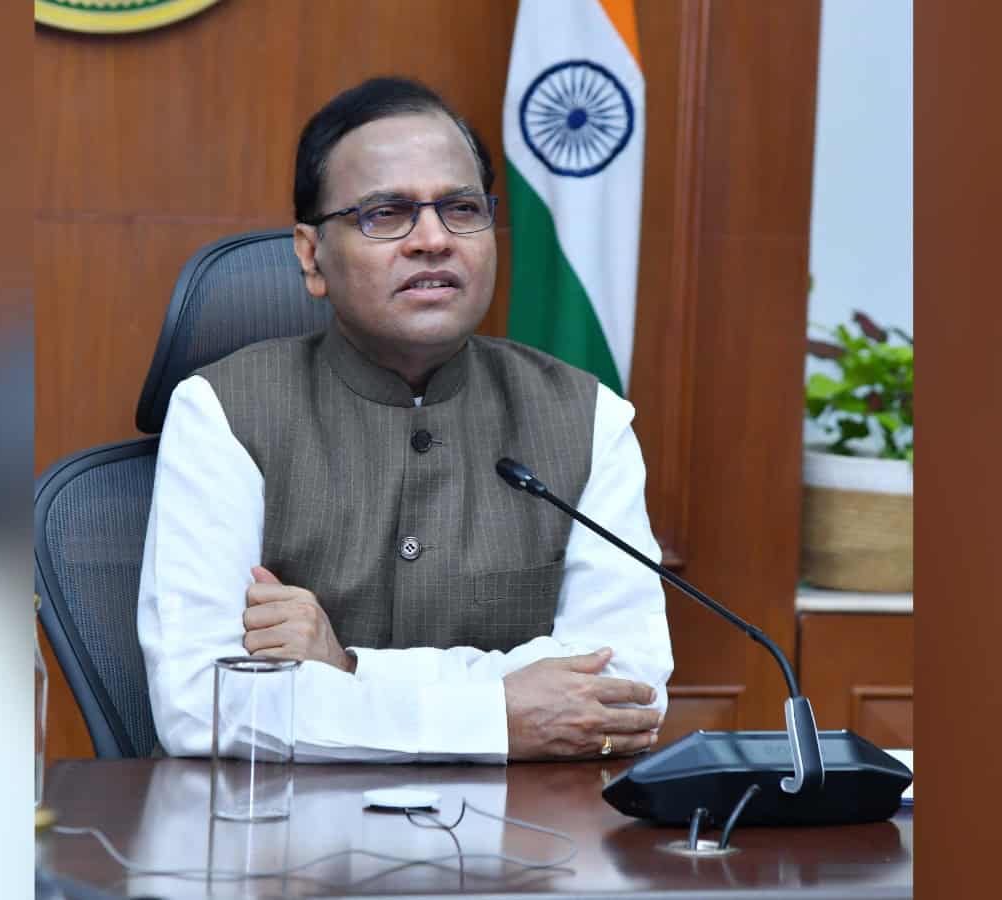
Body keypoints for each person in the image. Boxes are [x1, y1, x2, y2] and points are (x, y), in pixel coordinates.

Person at [138, 77, 672, 762]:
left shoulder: (586, 416)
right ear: (311, 255)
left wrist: (347, 670)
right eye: (386, 213)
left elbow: (625, 688)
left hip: (527, 851)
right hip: (289, 854)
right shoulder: (224, 411)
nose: (432, 239)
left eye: (461, 208)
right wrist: (494, 715)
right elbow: (200, 703)